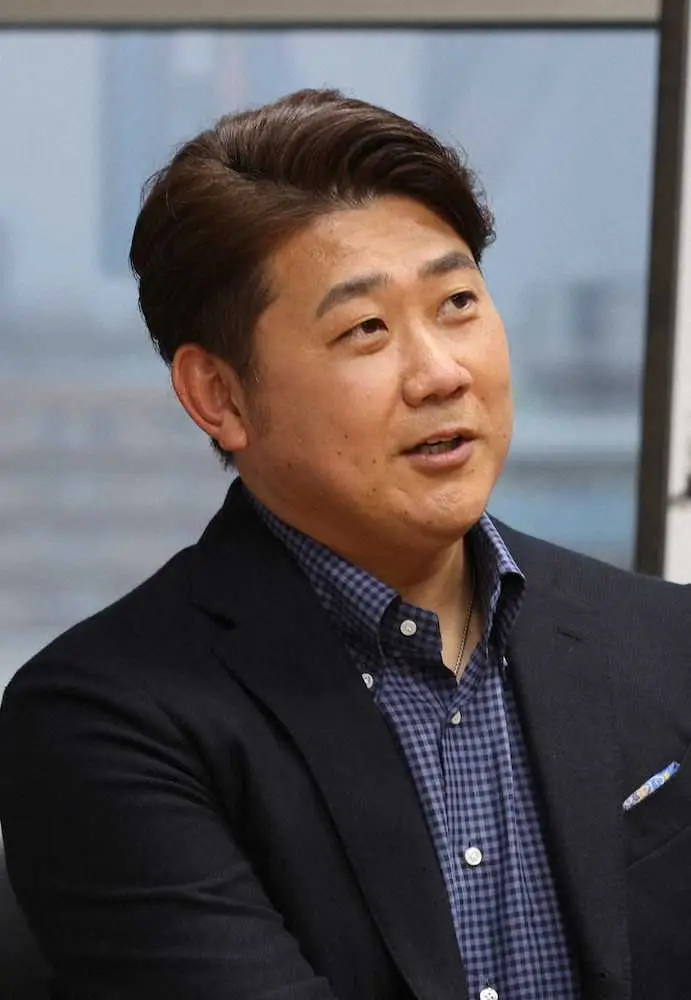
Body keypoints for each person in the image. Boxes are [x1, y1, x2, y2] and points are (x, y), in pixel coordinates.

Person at [0, 88, 690, 1000]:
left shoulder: (664, 640)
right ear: (218, 396)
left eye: (457, 302)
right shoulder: (106, 720)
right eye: (365, 329)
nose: (440, 373)